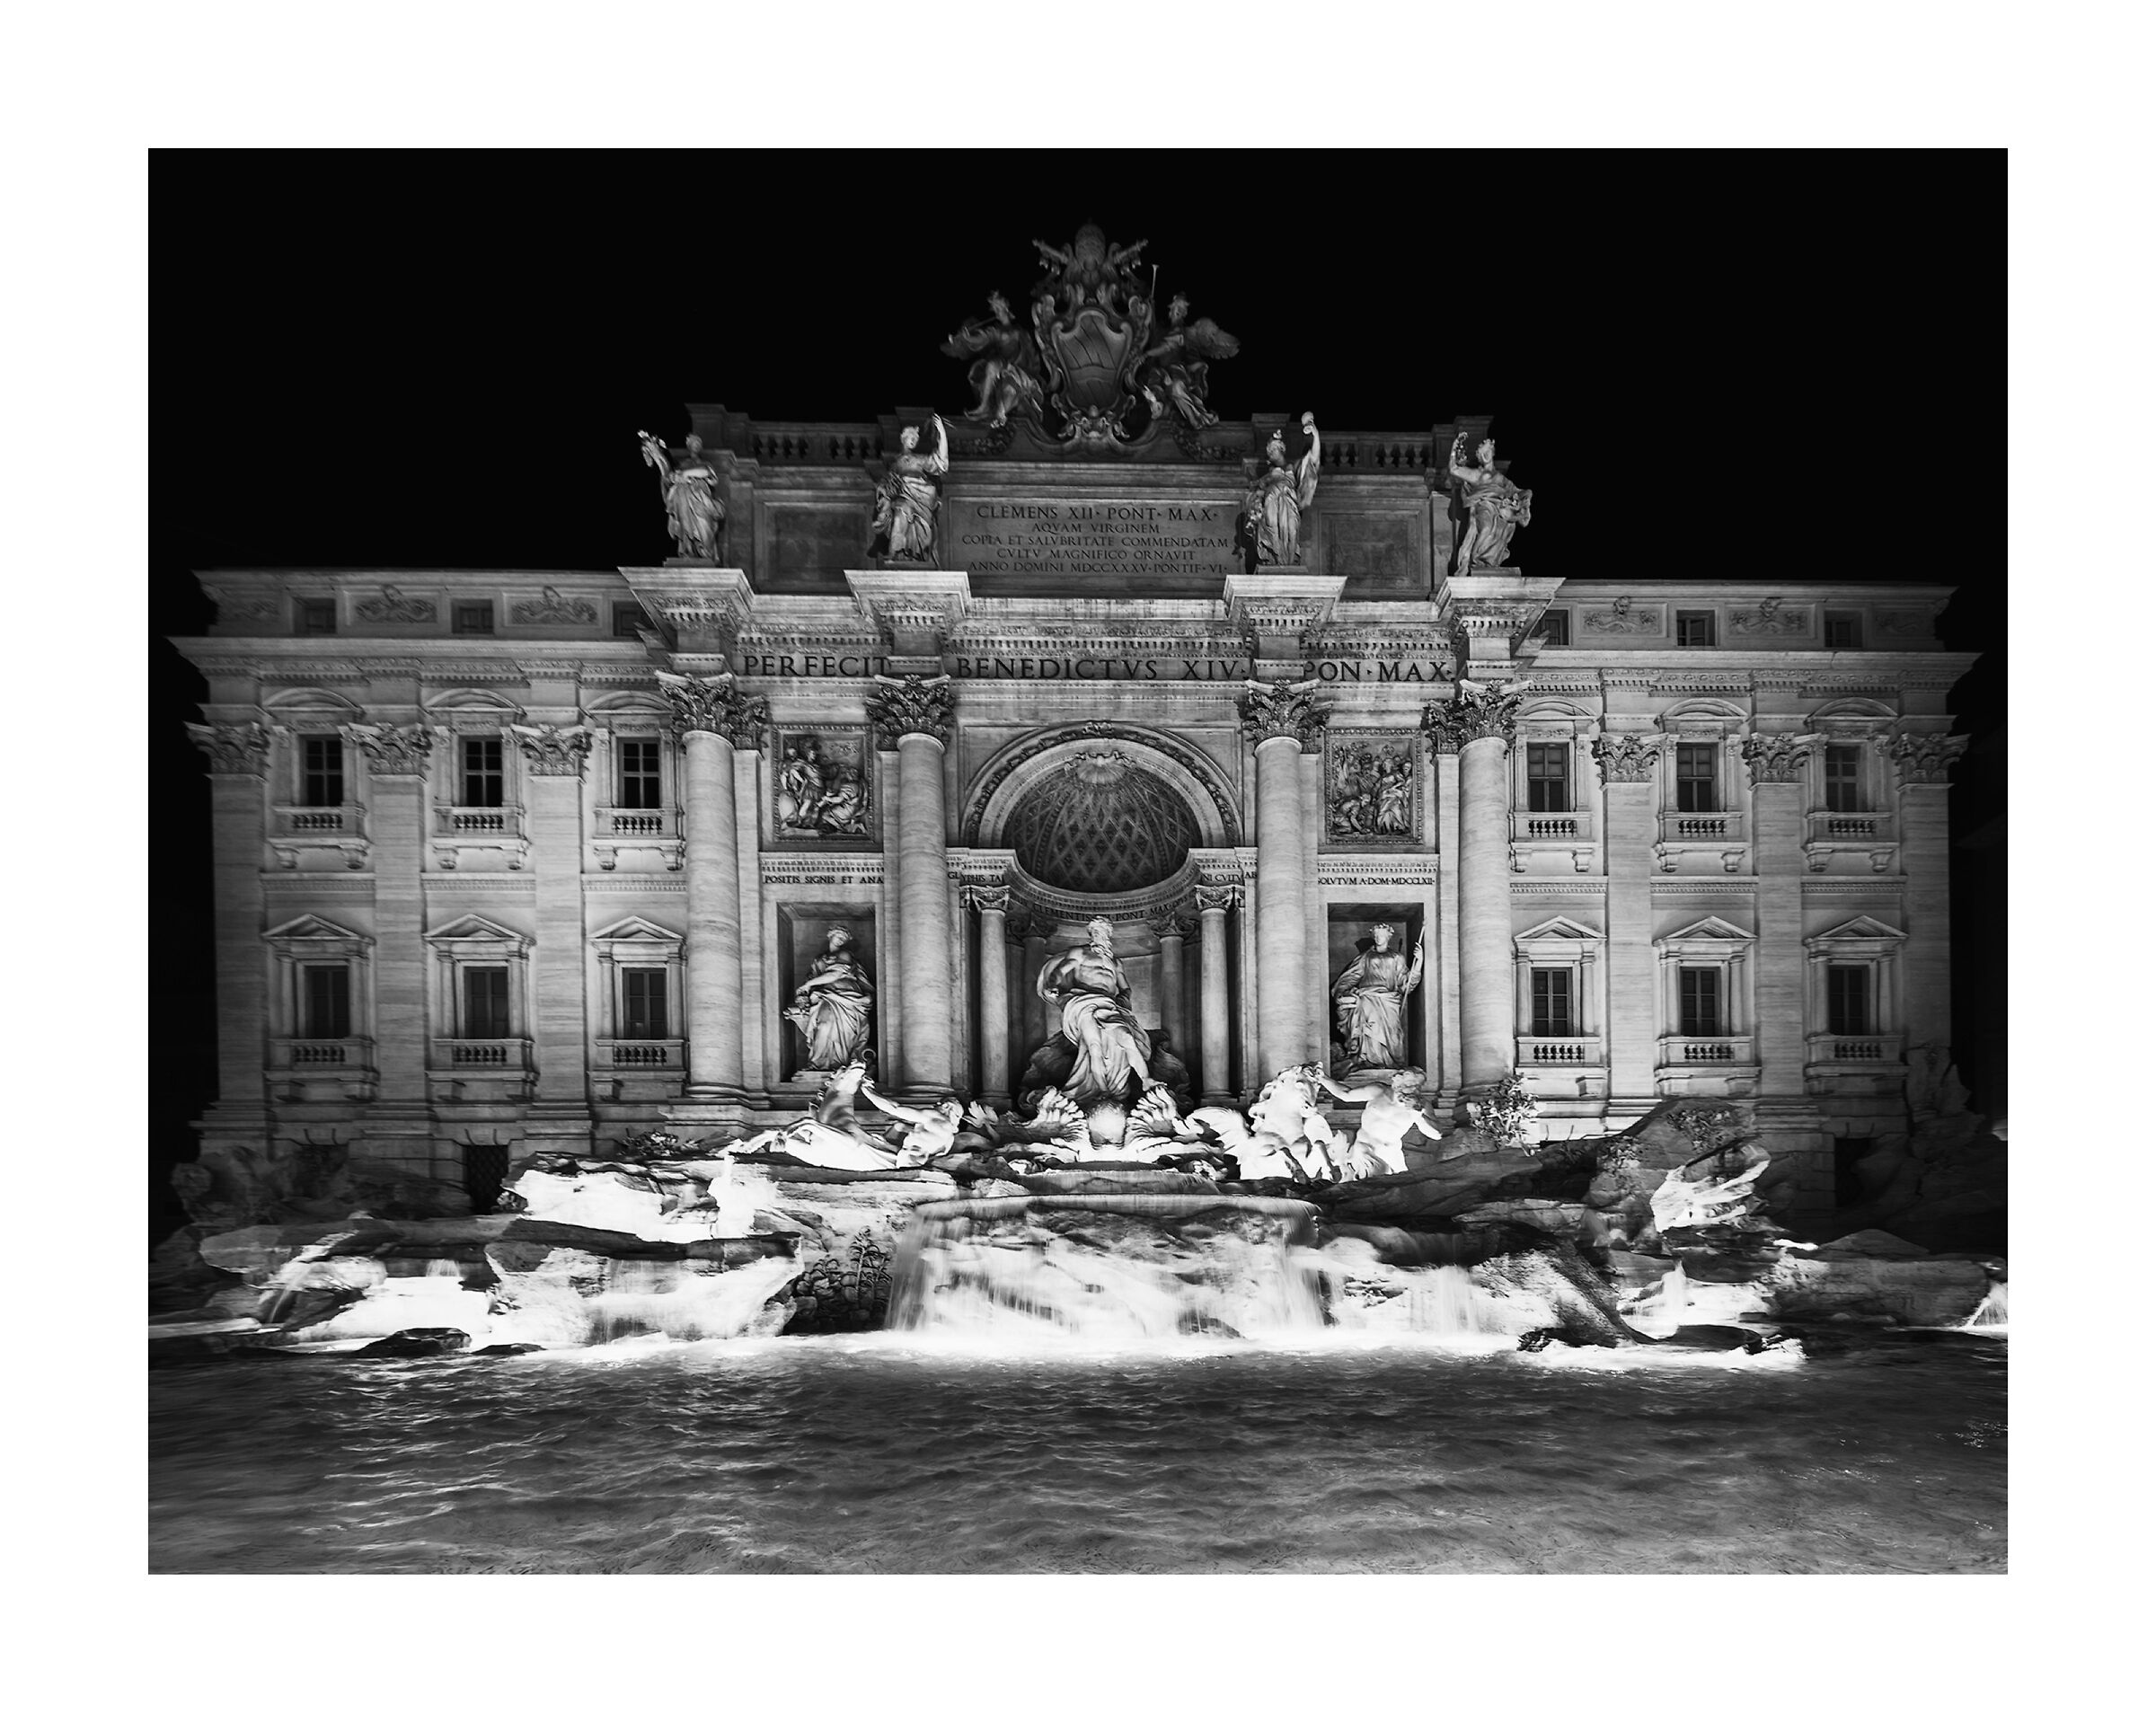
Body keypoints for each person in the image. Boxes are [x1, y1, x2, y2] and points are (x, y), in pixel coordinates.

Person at [1034, 916, 1153, 1108]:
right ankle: (1103, 1092)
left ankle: (1146, 1079)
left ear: (1109, 936)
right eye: (1097, 932)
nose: (1101, 936)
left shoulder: (1116, 962)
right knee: (1094, 1047)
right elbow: (1060, 972)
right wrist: (1052, 985)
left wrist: (1123, 998)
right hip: (1083, 1002)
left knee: (1127, 1038)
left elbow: (1125, 988)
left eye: (1104, 932)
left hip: (1109, 1005)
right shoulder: (1080, 953)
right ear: (1091, 934)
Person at [1313, 1067, 1445, 1177]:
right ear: (1398, 1082)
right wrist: (1322, 1078)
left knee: (1406, 1188)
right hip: (1366, 1147)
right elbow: (1346, 1094)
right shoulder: (1378, 1091)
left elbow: (1436, 1134)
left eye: (1418, 1086)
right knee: (1379, 1175)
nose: (1414, 1090)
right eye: (1410, 1085)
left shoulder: (1421, 1104)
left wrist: (1419, 1114)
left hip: (1392, 1151)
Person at [1331, 924, 1426, 1071]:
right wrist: (1341, 991)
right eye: (1375, 936)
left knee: (1392, 1035)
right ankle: (1368, 1062)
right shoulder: (1365, 957)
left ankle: (1389, 1063)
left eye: (1381, 935)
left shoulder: (1397, 957)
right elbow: (1352, 976)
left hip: (1389, 1001)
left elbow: (1405, 984)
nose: (1378, 938)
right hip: (1368, 998)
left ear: (1389, 937)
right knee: (1370, 1032)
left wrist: (1418, 962)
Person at [782, 928, 875, 1071]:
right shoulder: (819, 959)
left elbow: (836, 974)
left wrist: (808, 985)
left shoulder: (844, 954)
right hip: (825, 996)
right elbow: (813, 977)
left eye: (844, 939)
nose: (841, 940)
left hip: (846, 997)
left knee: (842, 1032)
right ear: (830, 936)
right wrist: (805, 993)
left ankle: (841, 1065)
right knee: (823, 1026)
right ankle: (818, 1064)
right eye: (839, 936)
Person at [1448, 433, 1533, 573]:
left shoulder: (1501, 478)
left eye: (1487, 452)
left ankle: (1488, 564)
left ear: (1492, 453)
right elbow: (1454, 469)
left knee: (1498, 532)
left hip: (1500, 510)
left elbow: (1518, 491)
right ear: (1479, 457)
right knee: (1486, 529)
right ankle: (1476, 560)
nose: (1485, 455)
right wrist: (1454, 447)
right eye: (1482, 453)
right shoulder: (1476, 475)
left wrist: (1527, 494)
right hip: (1484, 506)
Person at [1244, 413, 1321, 565]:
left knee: (1292, 531)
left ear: (1281, 448)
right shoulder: (1266, 477)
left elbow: (1313, 459)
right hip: (1271, 501)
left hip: (1289, 501)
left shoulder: (1295, 466)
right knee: (1272, 530)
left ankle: (1289, 563)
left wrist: (1315, 434)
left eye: (1273, 449)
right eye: (1269, 451)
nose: (1270, 453)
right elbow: (1255, 493)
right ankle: (1275, 561)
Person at [869, 414, 948, 563]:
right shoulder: (895, 464)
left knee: (904, 514)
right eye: (911, 436)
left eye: (916, 438)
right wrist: (885, 491)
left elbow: (941, 463)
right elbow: (886, 483)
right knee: (900, 514)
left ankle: (911, 553)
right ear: (902, 438)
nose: (914, 440)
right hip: (903, 497)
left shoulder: (919, 459)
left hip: (922, 496)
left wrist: (942, 434)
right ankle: (895, 552)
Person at [637, 431, 727, 561]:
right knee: (685, 522)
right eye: (693, 443)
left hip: (702, 500)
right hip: (683, 498)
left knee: (704, 528)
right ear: (689, 446)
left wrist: (685, 474)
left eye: (698, 443)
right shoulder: (683, 464)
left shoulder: (705, 464)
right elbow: (669, 478)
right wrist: (657, 456)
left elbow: (707, 473)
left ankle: (704, 550)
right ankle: (688, 549)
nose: (695, 446)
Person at [857, 1078, 964, 1166]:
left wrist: (867, 1090)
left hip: (906, 1159)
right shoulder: (950, 1137)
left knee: (861, 1146)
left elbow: (894, 1108)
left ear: (946, 1106)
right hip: (916, 1161)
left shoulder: (935, 1116)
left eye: (938, 1104)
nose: (934, 1105)